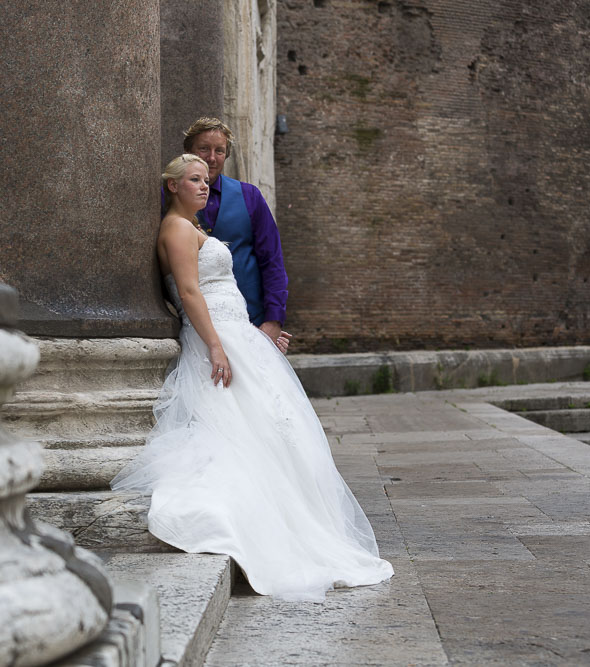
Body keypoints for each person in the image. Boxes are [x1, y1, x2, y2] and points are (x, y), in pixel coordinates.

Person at [112, 155, 393, 601]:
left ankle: (299, 523)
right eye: (194, 180)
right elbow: (189, 292)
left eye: (206, 180)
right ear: (171, 186)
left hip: (237, 332)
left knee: (274, 430)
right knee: (238, 429)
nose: (204, 186)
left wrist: (253, 337)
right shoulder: (177, 229)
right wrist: (218, 347)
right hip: (217, 338)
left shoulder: (194, 227)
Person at [183, 117, 292, 354]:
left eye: (219, 151)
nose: (211, 158)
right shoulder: (168, 198)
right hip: (195, 327)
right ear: (188, 151)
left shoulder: (250, 196)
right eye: (204, 149)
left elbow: (272, 262)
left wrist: (273, 321)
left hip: (252, 322)